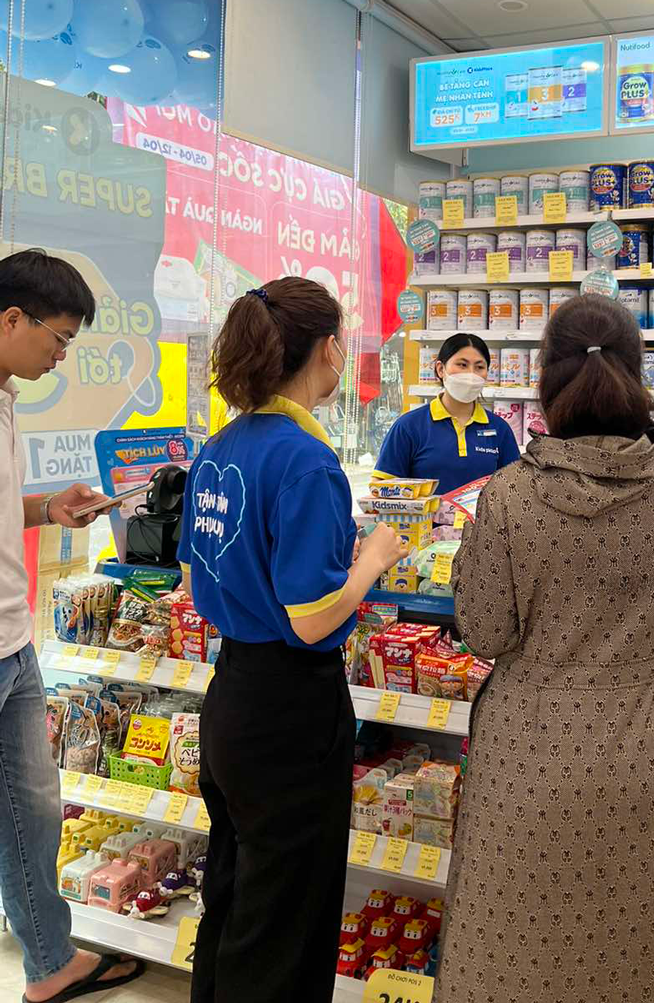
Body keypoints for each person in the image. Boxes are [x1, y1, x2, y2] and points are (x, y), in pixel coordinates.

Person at [434, 294, 654, 1003]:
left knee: (509, 953)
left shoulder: (510, 496)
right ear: (636, 372)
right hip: (641, 747)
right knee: (639, 954)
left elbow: (487, 631)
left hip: (527, 759)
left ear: (547, 378)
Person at [177, 278, 407, 1003]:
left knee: (235, 893)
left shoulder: (223, 444)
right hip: (289, 710)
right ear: (328, 348)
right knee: (288, 918)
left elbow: (191, 576)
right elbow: (310, 617)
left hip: (232, 697)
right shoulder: (307, 461)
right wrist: (373, 556)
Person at [0, 249, 142, 1002]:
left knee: (32, 813)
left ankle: (50, 964)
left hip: (16, 644)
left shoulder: (5, 395)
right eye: (57, 339)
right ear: (11, 318)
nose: (60, 357)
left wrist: (47, 506)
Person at [374, 333, 520, 494]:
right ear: (441, 369)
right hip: (424, 520)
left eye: (479, 367)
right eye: (462, 365)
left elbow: (514, 489)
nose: (471, 374)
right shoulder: (409, 426)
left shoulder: (499, 429)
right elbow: (381, 487)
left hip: (482, 520)